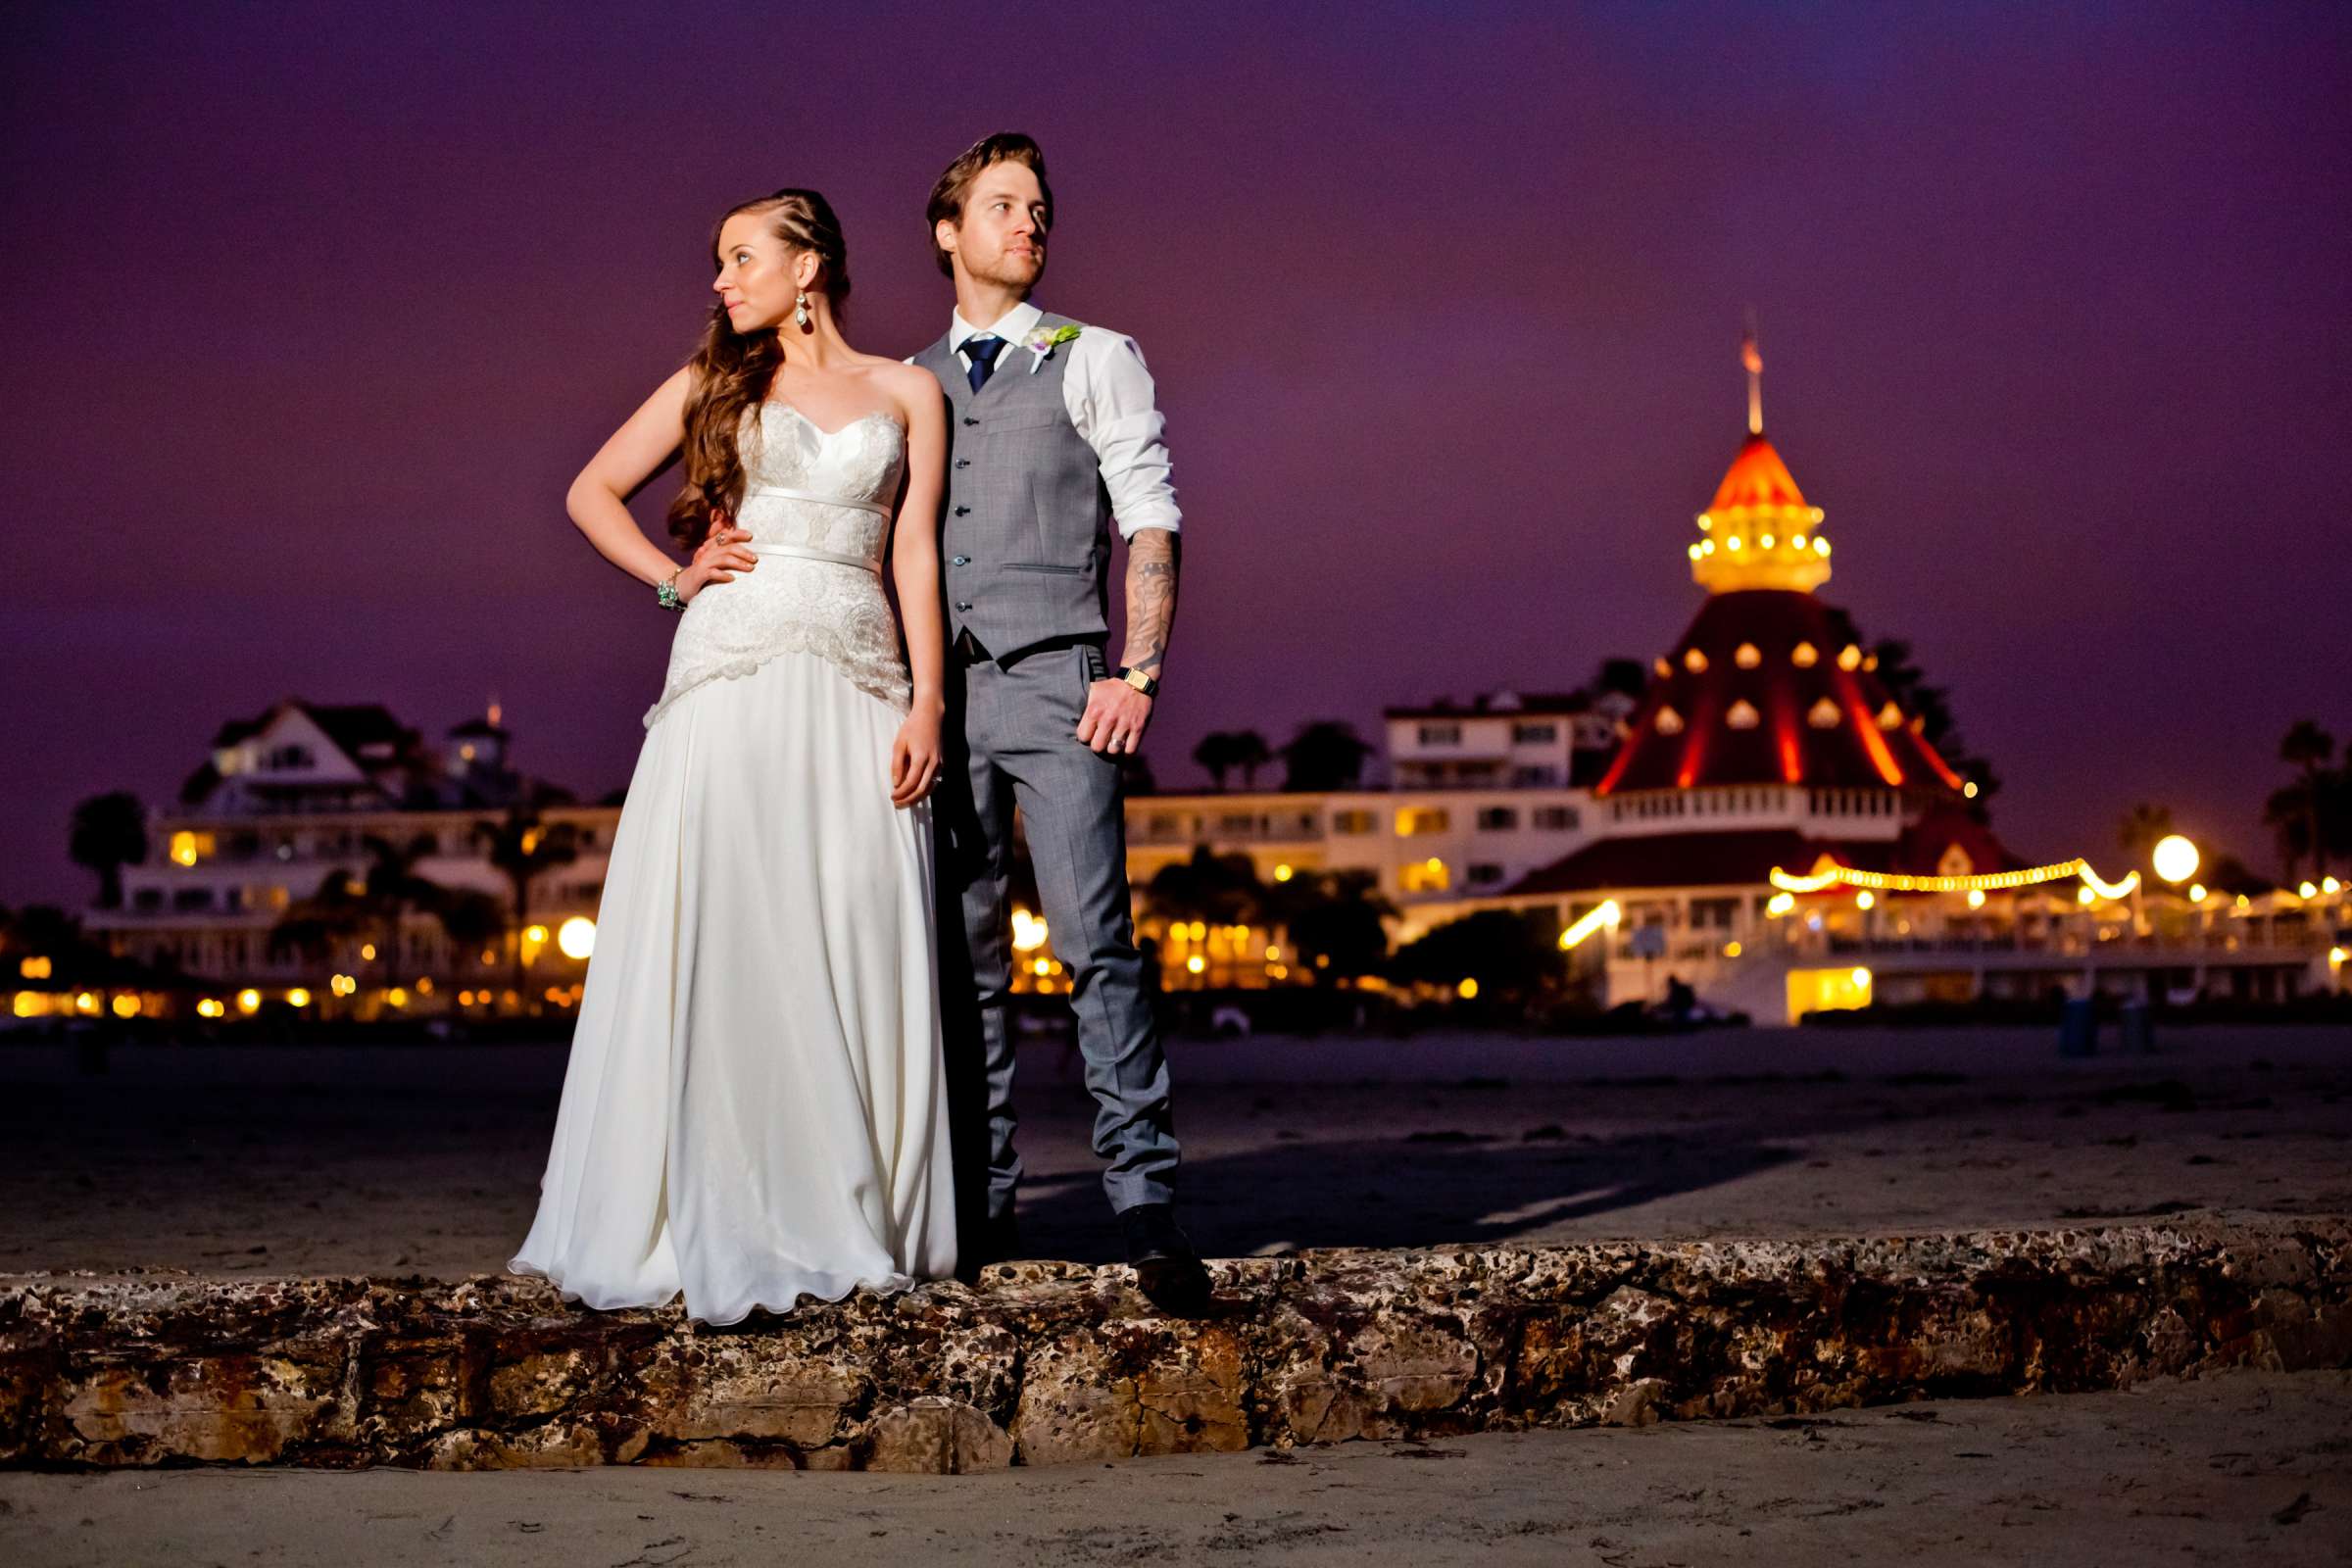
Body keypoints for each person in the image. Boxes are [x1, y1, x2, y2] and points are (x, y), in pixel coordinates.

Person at [510, 188, 956, 1326]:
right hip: (732, 672)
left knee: (846, 918)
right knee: (730, 922)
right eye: (719, 261)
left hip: (860, 682)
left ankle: (846, 1201)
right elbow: (588, 490)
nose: (720, 279)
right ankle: (709, 1201)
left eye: (740, 257)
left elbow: (914, 553)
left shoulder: (909, 390)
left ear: (807, 266)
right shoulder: (718, 383)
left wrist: (930, 704)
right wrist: (671, 580)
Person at [911, 133, 1210, 1311]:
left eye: (1039, 207)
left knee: (1099, 949)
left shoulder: (1096, 357)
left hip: (1063, 684)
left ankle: (1144, 1198)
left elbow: (1150, 518)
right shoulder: (910, 378)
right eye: (1002, 205)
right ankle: (983, 1205)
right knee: (961, 963)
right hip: (945, 698)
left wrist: (1136, 669)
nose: (1029, 223)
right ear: (948, 230)